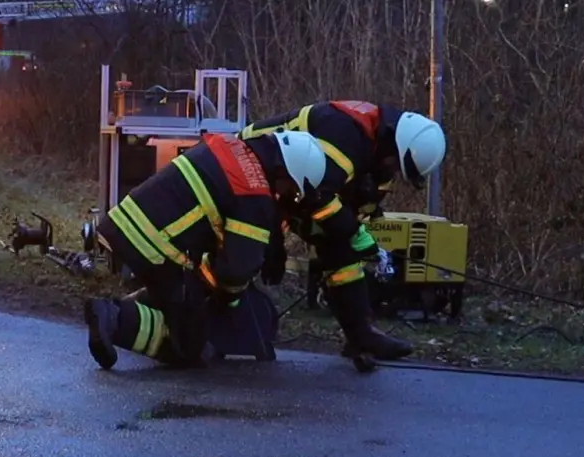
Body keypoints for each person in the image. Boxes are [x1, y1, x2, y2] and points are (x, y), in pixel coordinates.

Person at [82, 130, 330, 370]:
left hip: (128, 226)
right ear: (286, 172)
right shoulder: (254, 196)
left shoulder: (234, 148)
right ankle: (114, 318)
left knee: (183, 299)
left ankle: (120, 312)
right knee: (191, 345)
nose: (288, 196)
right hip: (156, 246)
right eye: (292, 190)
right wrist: (229, 299)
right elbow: (236, 270)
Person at [240, 101, 447, 362]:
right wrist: (353, 232)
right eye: (395, 163)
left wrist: (359, 238)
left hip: (290, 188)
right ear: (391, 143)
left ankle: (361, 336)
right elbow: (317, 194)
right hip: (252, 171)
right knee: (256, 253)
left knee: (342, 251)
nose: (393, 169)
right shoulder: (344, 132)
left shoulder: (379, 157)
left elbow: (355, 207)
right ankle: (217, 312)